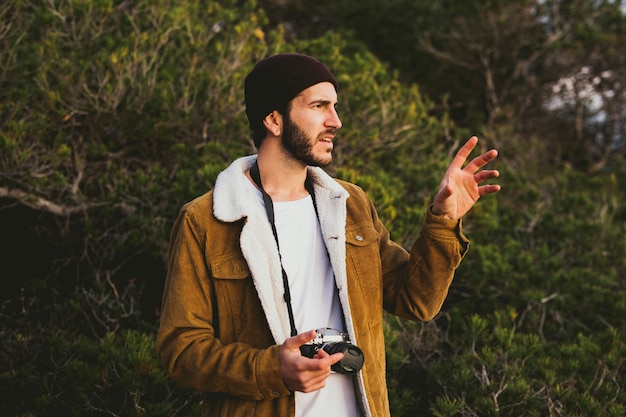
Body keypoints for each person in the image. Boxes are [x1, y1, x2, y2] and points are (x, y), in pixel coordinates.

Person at [156, 53, 500, 417]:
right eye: (319, 106)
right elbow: (181, 349)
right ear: (274, 119)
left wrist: (442, 222)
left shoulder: (350, 205)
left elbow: (416, 301)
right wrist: (273, 369)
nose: (335, 121)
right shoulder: (206, 220)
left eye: (334, 106)